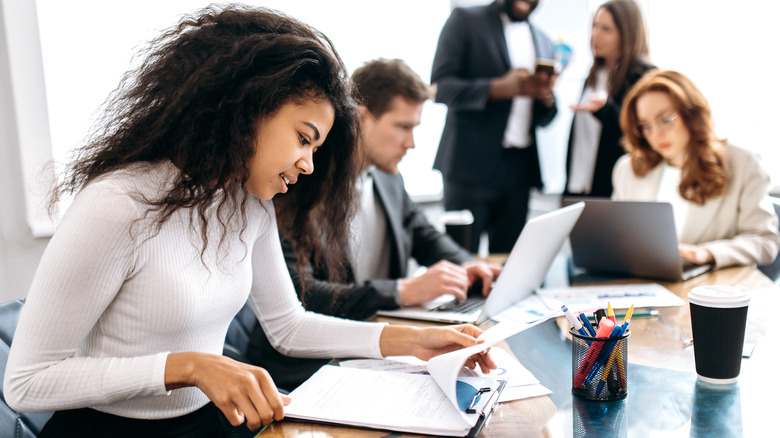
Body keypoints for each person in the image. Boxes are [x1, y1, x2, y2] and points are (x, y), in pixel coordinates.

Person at [3, 6, 495, 437]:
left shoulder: (249, 203)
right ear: (247, 108)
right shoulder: (117, 203)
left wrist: (412, 342)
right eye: (304, 139)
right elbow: (26, 382)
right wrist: (188, 367)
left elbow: (288, 327)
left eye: (316, 149)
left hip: (213, 420)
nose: (308, 165)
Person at [245, 58, 503, 390]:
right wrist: (401, 291)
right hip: (300, 373)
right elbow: (301, 295)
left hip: (372, 347)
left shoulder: (389, 179)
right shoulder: (294, 182)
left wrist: (470, 266)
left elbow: (424, 234)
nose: (411, 143)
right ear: (362, 118)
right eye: (403, 127)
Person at [613, 69, 780, 268]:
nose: (656, 134)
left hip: (713, 287)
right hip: (646, 283)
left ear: (691, 113)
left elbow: (765, 241)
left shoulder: (744, 164)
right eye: (645, 126)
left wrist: (708, 252)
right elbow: (618, 236)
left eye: (666, 119)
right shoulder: (628, 169)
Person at [431, 0, 558, 254]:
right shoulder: (465, 20)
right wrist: (498, 89)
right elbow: (440, 88)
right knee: (462, 261)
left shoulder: (545, 41)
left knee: (510, 264)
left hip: (520, 170)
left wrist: (546, 96)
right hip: (469, 166)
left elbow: (546, 117)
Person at [565, 0, 655, 198]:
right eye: (595, 26)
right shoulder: (595, 74)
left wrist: (606, 109)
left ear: (627, 34)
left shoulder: (643, 76)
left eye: (606, 29)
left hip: (613, 191)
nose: (595, 35)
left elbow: (642, 134)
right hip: (578, 185)